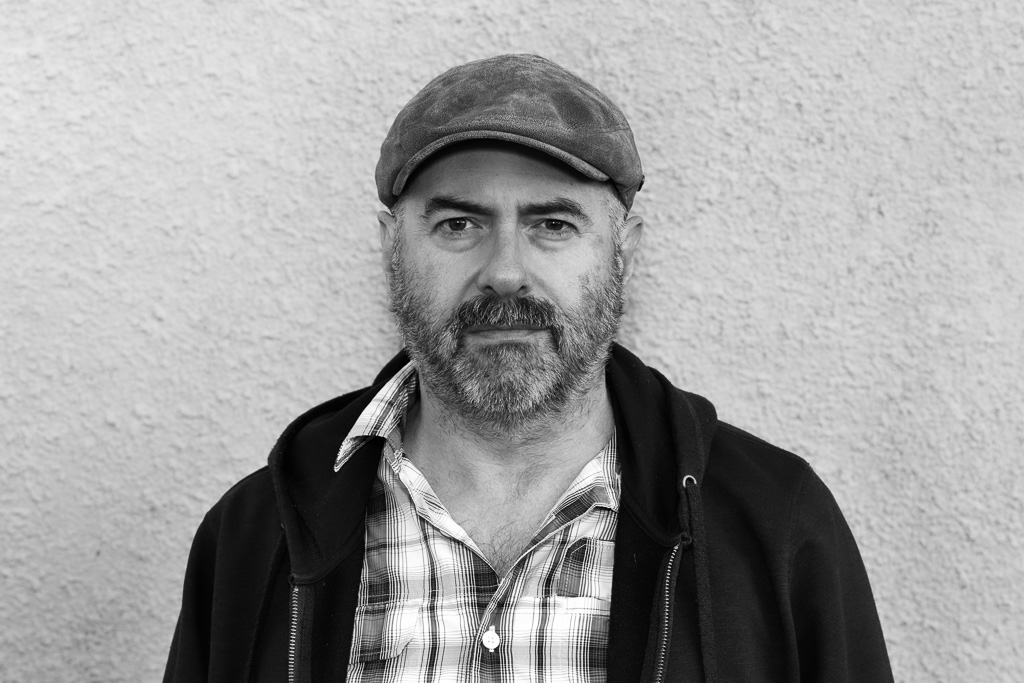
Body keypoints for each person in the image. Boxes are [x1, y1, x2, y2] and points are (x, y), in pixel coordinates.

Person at [164, 54, 893, 682]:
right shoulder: (253, 540)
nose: (505, 271)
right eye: (459, 224)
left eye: (552, 224)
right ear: (390, 247)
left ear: (624, 249)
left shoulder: (776, 528)